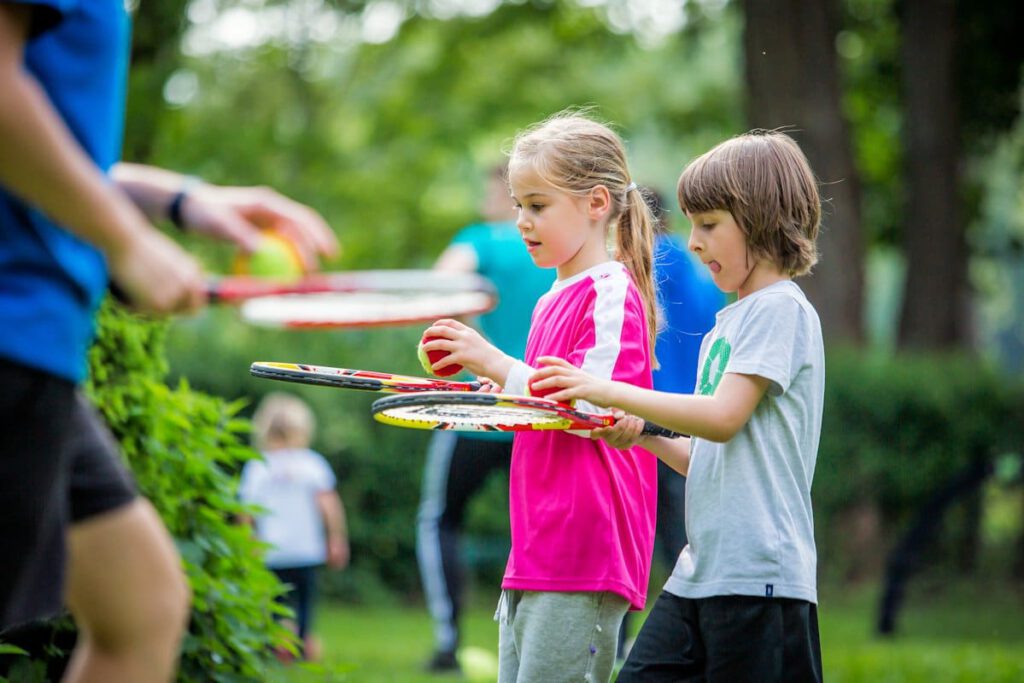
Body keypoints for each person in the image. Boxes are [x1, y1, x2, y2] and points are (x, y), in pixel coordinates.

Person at [0, 3, 337, 682]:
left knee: (142, 608)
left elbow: (49, 139)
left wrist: (181, 200)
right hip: (13, 332)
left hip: (38, 351)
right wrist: (124, 241)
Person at [530, 130, 825, 682]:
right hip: (702, 572)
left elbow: (721, 417)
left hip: (760, 577)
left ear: (762, 220)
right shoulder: (729, 323)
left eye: (709, 225)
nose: (693, 242)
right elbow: (707, 455)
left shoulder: (779, 310)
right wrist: (643, 432)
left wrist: (603, 389)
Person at [420, 111, 660, 683]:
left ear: (596, 203)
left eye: (537, 205)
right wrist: (496, 395)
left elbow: (595, 409)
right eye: (518, 204)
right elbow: (546, 410)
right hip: (537, 546)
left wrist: (495, 362)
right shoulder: (552, 297)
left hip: (585, 547)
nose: (522, 221)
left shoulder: (608, 292)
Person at [417, 164, 554, 674]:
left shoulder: (480, 242)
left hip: (482, 406)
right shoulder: (560, 249)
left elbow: (438, 287)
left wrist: (469, 319)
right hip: (544, 408)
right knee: (544, 524)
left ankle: (447, 641)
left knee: (441, 520)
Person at [615, 187, 725, 661]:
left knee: (633, 532)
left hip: (653, 412)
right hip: (687, 415)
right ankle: (692, 635)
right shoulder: (698, 268)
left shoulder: (652, 262)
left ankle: (624, 638)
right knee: (680, 539)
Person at [239, 392, 349, 662]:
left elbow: (246, 513)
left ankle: (273, 646)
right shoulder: (311, 463)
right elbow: (329, 505)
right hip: (306, 550)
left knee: (273, 605)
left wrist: (247, 543)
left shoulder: (257, 466)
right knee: (304, 605)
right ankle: (301, 646)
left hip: (271, 551)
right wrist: (336, 538)